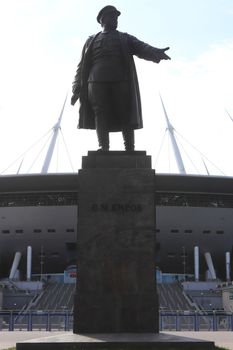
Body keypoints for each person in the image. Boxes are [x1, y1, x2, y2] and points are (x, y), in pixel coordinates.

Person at [71, 5, 170, 152]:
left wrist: (156, 52)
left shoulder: (124, 37)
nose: (116, 20)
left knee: (125, 110)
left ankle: (129, 147)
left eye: (117, 17)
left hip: (120, 78)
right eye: (112, 17)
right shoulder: (91, 40)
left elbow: (141, 47)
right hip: (96, 81)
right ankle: (103, 147)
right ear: (103, 19)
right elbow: (81, 66)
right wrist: (76, 87)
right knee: (100, 112)